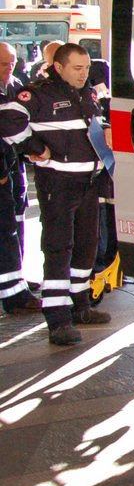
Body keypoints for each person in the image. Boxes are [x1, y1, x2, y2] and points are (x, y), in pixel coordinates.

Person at [0, 43, 110, 346]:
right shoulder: (39, 93)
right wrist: (34, 148)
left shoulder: (87, 92)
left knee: (86, 247)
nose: (83, 73)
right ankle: (58, 319)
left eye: (86, 67)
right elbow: (7, 120)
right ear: (58, 67)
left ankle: (80, 306)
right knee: (59, 248)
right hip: (58, 185)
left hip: (89, 182)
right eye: (77, 68)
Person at [0, 43, 39, 317]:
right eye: (3, 63)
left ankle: (18, 280)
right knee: (5, 230)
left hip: (16, 164)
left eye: (12, 62)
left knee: (17, 221)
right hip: (2, 167)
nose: (9, 67)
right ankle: (14, 295)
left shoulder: (15, 85)